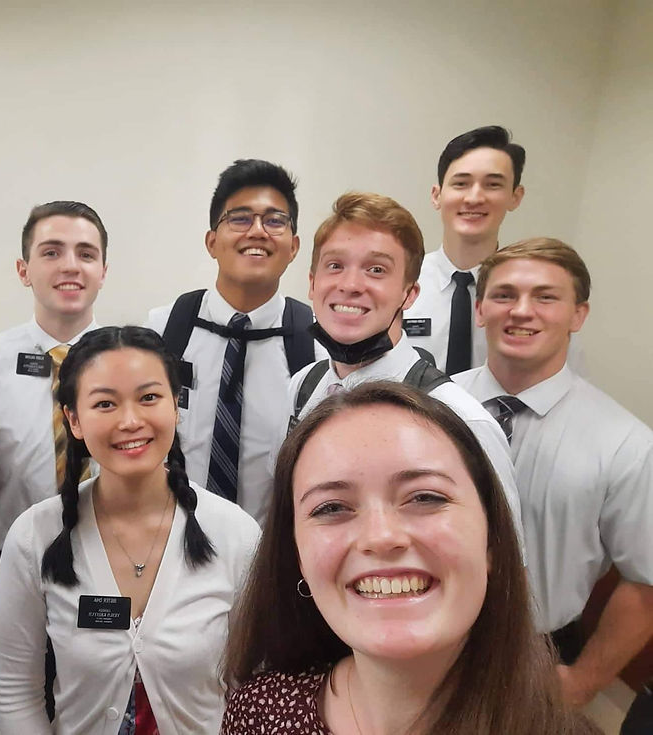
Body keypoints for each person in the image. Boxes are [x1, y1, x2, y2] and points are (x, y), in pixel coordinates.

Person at [222, 381, 598, 735]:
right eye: (332, 507)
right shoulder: (259, 714)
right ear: (297, 557)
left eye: (425, 497)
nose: (381, 537)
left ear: (492, 542)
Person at [0, 326, 260, 734]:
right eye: (105, 404)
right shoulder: (34, 536)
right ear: (74, 420)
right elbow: (14, 691)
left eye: (149, 397)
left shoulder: (234, 533)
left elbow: (254, 685)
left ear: (176, 406)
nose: (131, 421)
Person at [454, 238, 653, 708]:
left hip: (536, 652)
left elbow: (645, 582)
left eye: (545, 297)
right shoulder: (428, 406)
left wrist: (582, 682)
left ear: (578, 315)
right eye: (504, 295)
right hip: (418, 628)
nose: (522, 311)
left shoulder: (626, 444)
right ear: (480, 309)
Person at [277, 192, 523, 539]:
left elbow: (504, 556)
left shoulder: (461, 418)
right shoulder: (303, 388)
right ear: (312, 282)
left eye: (376, 270)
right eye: (335, 266)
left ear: (410, 294)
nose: (350, 285)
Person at [146, 159, 324, 525]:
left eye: (274, 221)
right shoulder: (163, 331)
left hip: (272, 547)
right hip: (172, 538)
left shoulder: (316, 346)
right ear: (212, 242)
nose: (257, 231)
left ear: (293, 247)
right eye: (240, 219)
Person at [0, 200, 108, 613]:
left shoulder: (130, 361)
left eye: (86, 254)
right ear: (24, 270)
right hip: (14, 563)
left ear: (103, 272)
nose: (70, 266)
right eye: (51, 252)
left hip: (113, 558)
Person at [403, 125, 525, 374]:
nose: (474, 198)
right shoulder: (401, 283)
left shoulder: (532, 297)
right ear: (437, 195)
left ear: (515, 197)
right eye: (461, 183)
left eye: (493, 185)